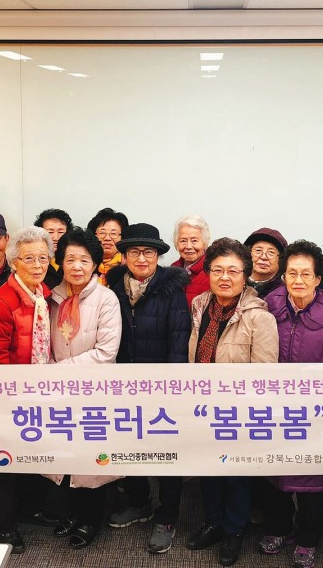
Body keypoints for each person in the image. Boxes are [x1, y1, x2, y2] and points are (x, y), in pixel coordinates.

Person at [258, 240, 323, 567]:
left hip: (315, 413)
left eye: (306, 274)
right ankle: (277, 528)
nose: (298, 280)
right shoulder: (267, 307)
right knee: (274, 475)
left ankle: (307, 539)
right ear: (283, 276)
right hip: (272, 408)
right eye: (292, 273)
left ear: (317, 279)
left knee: (312, 479)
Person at [186, 238, 278, 567]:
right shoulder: (199, 305)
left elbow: (265, 374)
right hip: (201, 405)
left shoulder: (259, 317)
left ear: (245, 275)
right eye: (217, 270)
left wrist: (244, 408)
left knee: (237, 472)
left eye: (233, 271)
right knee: (208, 468)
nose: (224, 277)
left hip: (239, 410)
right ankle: (213, 522)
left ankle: (234, 530)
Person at [105, 223, 190, 554]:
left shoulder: (172, 291)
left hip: (162, 388)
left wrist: (171, 389)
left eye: (149, 252)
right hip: (123, 386)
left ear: (158, 256)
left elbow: (179, 343)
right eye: (135, 252)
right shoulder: (113, 290)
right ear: (125, 256)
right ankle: (139, 502)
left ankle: (166, 517)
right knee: (129, 446)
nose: (142, 258)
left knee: (167, 453)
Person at [0, 227, 56, 554]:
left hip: (38, 392)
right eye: (29, 258)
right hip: (9, 397)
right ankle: (5, 524)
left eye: (43, 258)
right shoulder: (0, 303)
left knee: (31, 453)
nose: (37, 265)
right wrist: (13, 399)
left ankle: (28, 510)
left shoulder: (43, 295)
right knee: (6, 461)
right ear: (14, 262)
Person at [46, 227, 122, 549]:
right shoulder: (51, 297)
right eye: (70, 259)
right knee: (64, 455)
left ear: (95, 264)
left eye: (84, 260)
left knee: (92, 460)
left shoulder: (107, 299)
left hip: (94, 392)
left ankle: (91, 521)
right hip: (59, 393)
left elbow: (106, 353)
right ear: (60, 262)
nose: (77, 267)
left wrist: (58, 371)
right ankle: (71, 515)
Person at [171, 214, 211, 305]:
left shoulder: (213, 272)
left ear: (205, 243)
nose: (188, 246)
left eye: (194, 241)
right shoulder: (173, 269)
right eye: (183, 241)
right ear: (176, 243)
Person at [87, 207, 129, 286]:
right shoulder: (84, 264)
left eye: (113, 233)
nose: (107, 238)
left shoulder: (129, 266)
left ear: (122, 237)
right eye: (102, 233)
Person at [244, 227, 288, 299]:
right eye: (258, 250)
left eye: (271, 252)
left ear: (280, 259)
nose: (263, 257)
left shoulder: (286, 293)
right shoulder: (235, 285)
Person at [35, 208, 73, 290]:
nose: (56, 238)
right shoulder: (34, 262)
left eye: (61, 232)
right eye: (50, 232)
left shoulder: (73, 260)